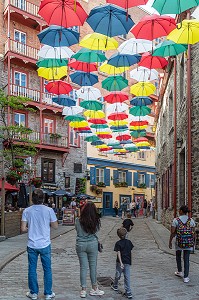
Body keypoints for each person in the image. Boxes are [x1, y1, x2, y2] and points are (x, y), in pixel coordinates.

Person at [21, 189, 58, 300]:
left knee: (32, 268)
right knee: (47, 269)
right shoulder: (49, 210)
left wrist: (30, 227)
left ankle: (33, 293)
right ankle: (47, 293)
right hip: (45, 244)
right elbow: (55, 226)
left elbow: (23, 229)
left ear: (32, 198)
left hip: (32, 244)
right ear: (43, 198)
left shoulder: (27, 211)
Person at [75, 202, 104, 298]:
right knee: (93, 266)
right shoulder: (96, 221)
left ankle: (83, 290)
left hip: (81, 245)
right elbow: (95, 231)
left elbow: (77, 230)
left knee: (83, 267)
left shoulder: (77, 220)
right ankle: (94, 288)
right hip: (92, 244)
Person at [169, 205, 195, 283]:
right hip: (188, 242)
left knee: (178, 256)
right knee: (186, 259)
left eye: (179, 210)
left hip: (179, 242)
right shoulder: (191, 220)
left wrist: (170, 241)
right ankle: (186, 277)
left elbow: (173, 232)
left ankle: (180, 272)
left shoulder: (176, 220)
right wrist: (193, 242)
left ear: (181, 211)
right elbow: (193, 233)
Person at [111, 227, 134, 299]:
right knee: (127, 277)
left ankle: (115, 285)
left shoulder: (118, 243)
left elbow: (118, 253)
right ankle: (128, 292)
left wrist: (121, 263)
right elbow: (130, 251)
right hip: (127, 262)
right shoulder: (129, 242)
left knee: (118, 274)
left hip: (119, 262)